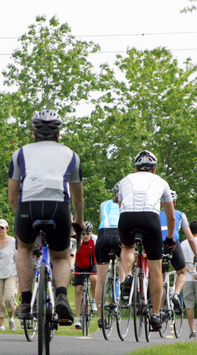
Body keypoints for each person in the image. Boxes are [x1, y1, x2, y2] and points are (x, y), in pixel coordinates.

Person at [8, 109, 86, 327]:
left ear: (34, 134)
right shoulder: (71, 155)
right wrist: (78, 221)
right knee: (60, 256)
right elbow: (78, 199)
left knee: (24, 248)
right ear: (58, 134)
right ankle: (61, 296)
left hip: (28, 205)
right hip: (59, 206)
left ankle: (24, 302)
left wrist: (20, 217)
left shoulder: (20, 154)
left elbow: (12, 196)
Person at [117, 149, 178, 331]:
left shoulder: (124, 180)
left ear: (135, 169)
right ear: (154, 169)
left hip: (127, 218)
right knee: (155, 268)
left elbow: (121, 204)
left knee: (128, 247)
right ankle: (155, 315)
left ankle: (128, 275)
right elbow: (171, 217)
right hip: (150, 219)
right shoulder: (161, 182)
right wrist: (168, 239)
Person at [159, 190, 197, 312]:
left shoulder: (156, 214)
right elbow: (191, 239)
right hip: (173, 244)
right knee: (182, 273)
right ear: (175, 203)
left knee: (159, 278)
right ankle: (175, 294)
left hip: (159, 245)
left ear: (162, 203)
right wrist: (196, 255)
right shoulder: (180, 215)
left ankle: (159, 310)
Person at [94, 183, 125, 328]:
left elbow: (102, 219)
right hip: (119, 236)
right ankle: (124, 286)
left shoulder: (103, 204)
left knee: (100, 281)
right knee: (123, 261)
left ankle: (100, 318)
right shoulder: (127, 205)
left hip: (103, 236)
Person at [73, 221, 96, 329]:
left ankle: (94, 300)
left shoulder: (95, 240)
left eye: (88, 233)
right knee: (78, 290)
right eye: (83, 234)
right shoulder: (75, 241)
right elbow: (71, 255)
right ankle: (78, 318)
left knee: (94, 278)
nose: (86, 236)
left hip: (92, 265)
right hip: (79, 265)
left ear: (91, 233)